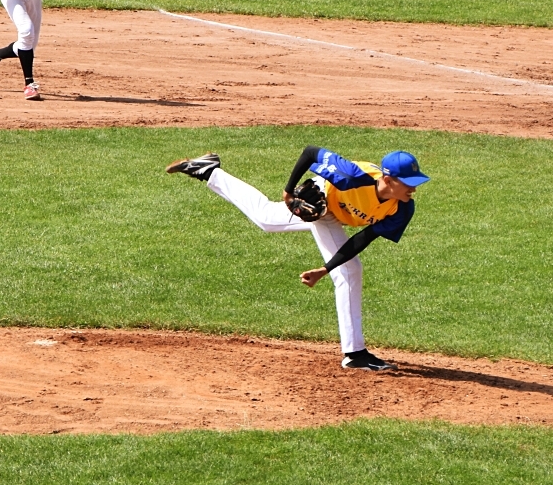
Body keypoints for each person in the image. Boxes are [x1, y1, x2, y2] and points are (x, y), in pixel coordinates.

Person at [165, 146, 429, 371]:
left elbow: (363, 238)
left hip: (337, 214)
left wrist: (325, 269)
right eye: (409, 183)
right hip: (321, 207)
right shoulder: (352, 176)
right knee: (349, 273)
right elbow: (311, 152)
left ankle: (208, 170)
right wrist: (288, 191)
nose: (414, 190)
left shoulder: (402, 207)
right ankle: (355, 354)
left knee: (266, 218)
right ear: (389, 179)